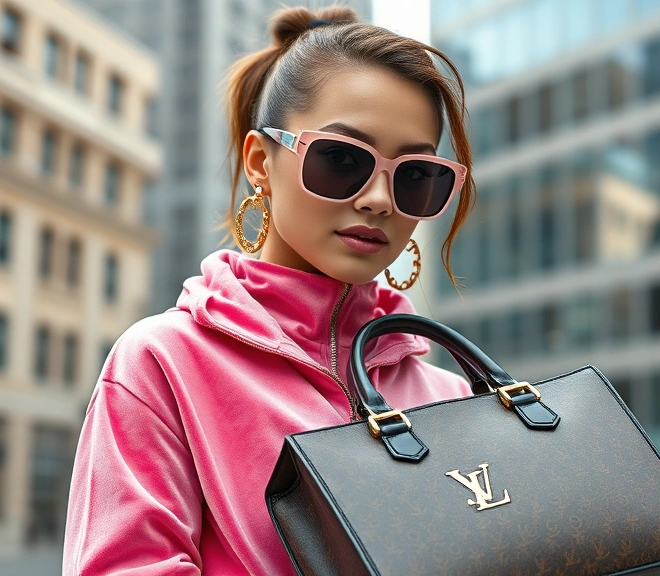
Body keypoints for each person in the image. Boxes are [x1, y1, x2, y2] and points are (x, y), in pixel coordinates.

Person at [62, 5, 476, 575]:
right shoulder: (162, 364)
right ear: (261, 161)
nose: (380, 199)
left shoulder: (454, 398)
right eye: (341, 158)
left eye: (416, 174)